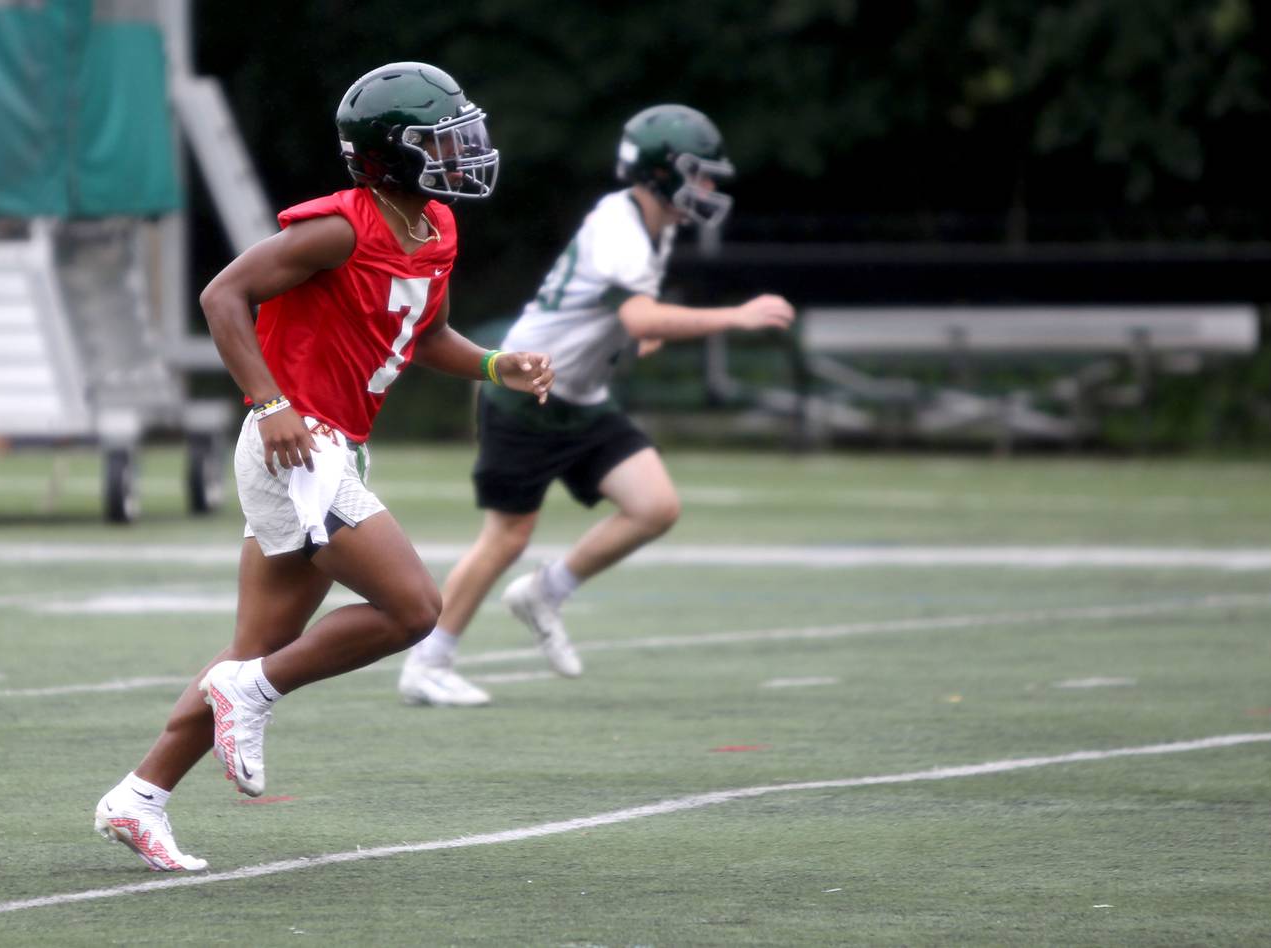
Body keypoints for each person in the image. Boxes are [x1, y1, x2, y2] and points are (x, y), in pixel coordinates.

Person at [93, 62, 552, 872]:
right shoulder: (341, 226)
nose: (460, 153)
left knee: (258, 645)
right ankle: (252, 694)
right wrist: (270, 404)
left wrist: (492, 366)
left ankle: (140, 796)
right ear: (388, 154)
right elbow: (222, 296)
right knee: (414, 609)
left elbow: (424, 337)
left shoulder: (438, 226)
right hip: (295, 445)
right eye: (438, 141)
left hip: (335, 445)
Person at [398, 104, 795, 708]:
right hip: (527, 392)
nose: (709, 187)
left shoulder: (653, 224)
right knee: (507, 537)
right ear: (664, 171)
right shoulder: (620, 224)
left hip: (580, 397)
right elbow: (639, 312)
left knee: (655, 505)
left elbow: (627, 314)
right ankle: (428, 662)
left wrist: (644, 329)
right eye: (700, 173)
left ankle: (546, 592)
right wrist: (734, 316)